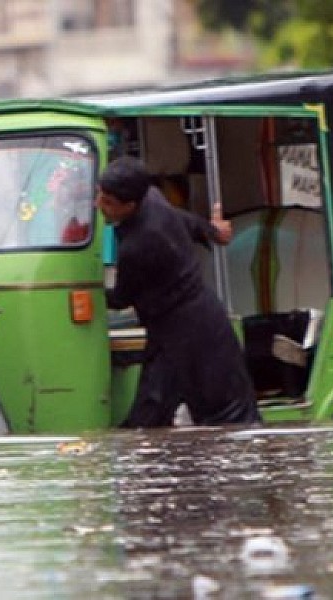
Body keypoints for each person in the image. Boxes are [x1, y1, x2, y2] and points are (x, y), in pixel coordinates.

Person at [97, 156, 261, 427]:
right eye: (100, 196)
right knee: (151, 414)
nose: (99, 205)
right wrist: (212, 231)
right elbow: (182, 219)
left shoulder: (139, 244)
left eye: (108, 203)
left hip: (194, 332)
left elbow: (121, 298)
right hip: (178, 326)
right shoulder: (151, 197)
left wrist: (86, 288)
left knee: (230, 418)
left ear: (130, 205)